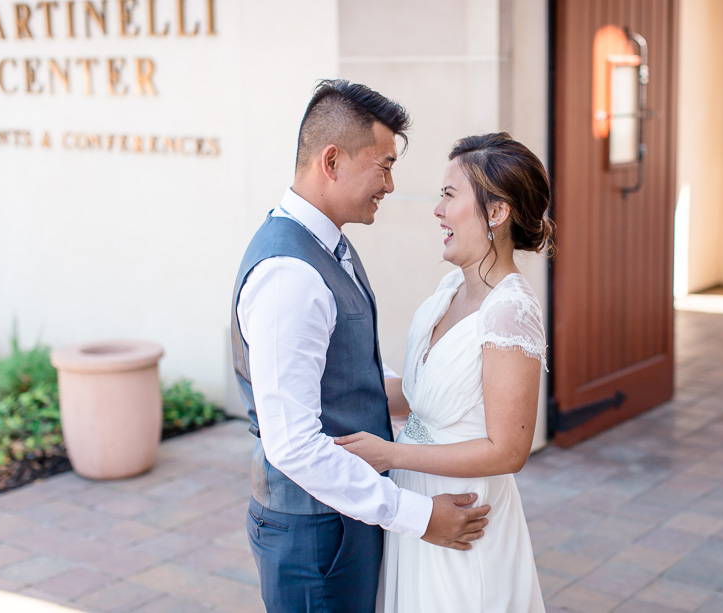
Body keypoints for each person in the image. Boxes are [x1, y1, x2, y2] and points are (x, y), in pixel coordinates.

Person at [230, 80, 491, 613]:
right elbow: (295, 445)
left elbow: (344, 368)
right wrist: (419, 517)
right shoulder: (290, 276)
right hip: (317, 536)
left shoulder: (327, 245)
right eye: (384, 165)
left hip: (341, 519)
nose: (391, 185)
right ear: (332, 161)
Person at [336, 132, 552, 612]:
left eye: (450, 196)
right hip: (419, 508)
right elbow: (421, 398)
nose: (437, 210)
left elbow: (509, 449)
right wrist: (331, 387)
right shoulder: (450, 288)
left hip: (463, 517)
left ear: (497, 214)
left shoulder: (510, 311)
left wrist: (391, 454)